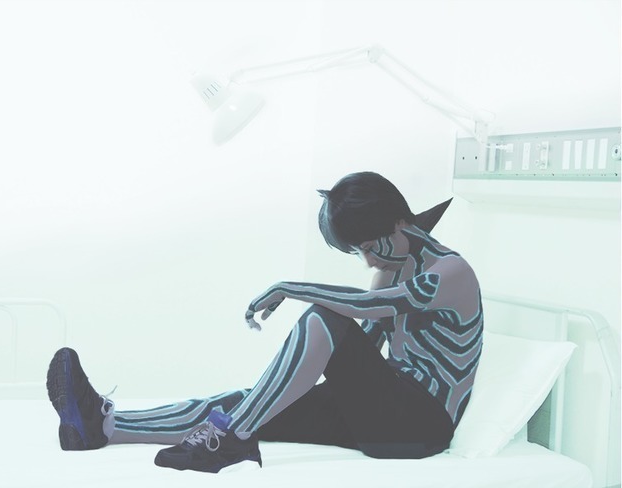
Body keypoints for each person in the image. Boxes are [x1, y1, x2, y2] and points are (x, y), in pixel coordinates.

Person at [46, 171, 483, 473]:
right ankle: (104, 427)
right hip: (379, 409)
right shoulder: (391, 268)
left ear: (399, 222)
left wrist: (292, 287)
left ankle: (233, 437)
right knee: (249, 400)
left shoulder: (452, 273)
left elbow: (371, 308)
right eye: (359, 252)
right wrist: (287, 387)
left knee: (323, 318)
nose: (368, 261)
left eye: (369, 247)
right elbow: (362, 346)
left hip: (419, 425)